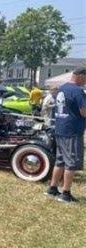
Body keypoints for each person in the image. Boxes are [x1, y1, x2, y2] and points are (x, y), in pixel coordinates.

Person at [45, 68, 86, 203]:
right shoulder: (77, 91)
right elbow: (84, 112)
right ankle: (66, 193)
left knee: (60, 160)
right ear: (80, 76)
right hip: (72, 130)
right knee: (71, 162)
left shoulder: (62, 88)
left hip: (60, 128)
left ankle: (52, 188)